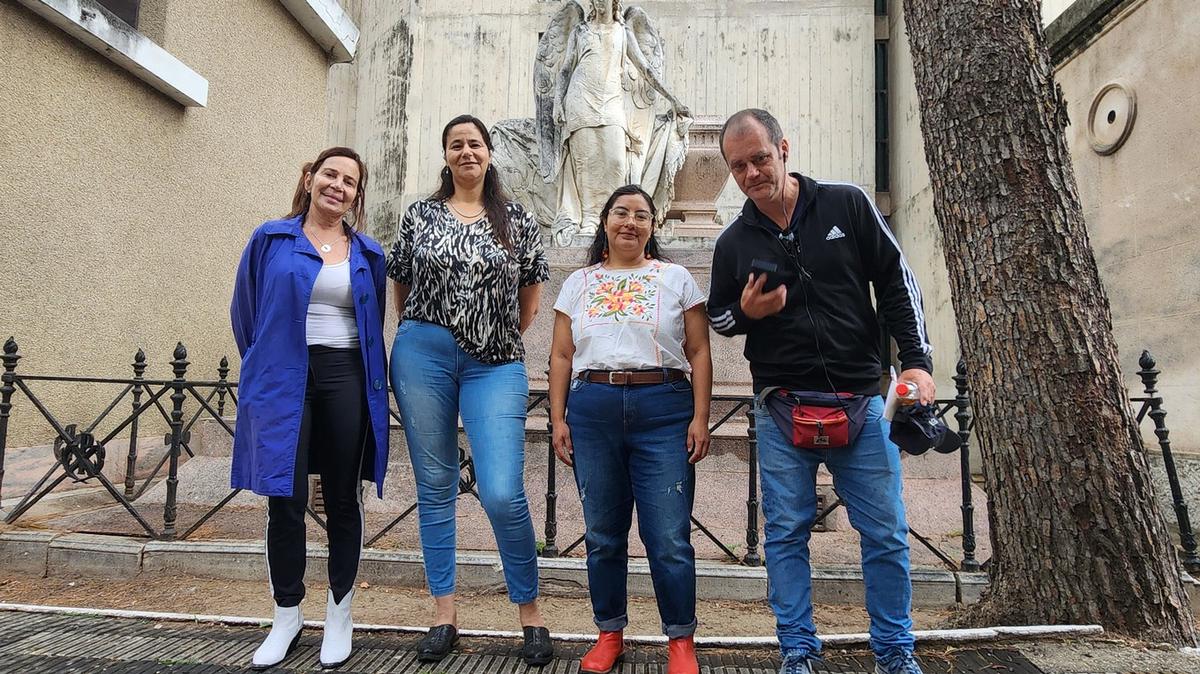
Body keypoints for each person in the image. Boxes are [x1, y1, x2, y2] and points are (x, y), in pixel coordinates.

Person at [708, 109, 936, 674]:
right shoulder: (733, 242)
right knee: (785, 535)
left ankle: (894, 652)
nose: (752, 173)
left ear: (784, 148)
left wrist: (918, 362)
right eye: (738, 166)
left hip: (862, 401)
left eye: (759, 158)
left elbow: (895, 280)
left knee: (884, 534)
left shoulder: (846, 204)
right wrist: (747, 312)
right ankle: (798, 652)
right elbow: (716, 317)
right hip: (781, 406)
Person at [387, 115, 554, 666]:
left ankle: (530, 615)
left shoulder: (518, 220)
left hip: (495, 361)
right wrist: (423, 336)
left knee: (503, 490)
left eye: (475, 144)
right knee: (435, 485)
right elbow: (401, 285)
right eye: (456, 144)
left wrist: (492, 334)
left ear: (488, 154)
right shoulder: (420, 215)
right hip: (423, 354)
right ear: (446, 154)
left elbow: (530, 296)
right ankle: (444, 615)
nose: (466, 152)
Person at [230, 146, 390, 670]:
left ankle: (340, 613)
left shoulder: (368, 254)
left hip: (346, 377)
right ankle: (287, 614)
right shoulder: (271, 239)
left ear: (356, 195)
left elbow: (371, 326)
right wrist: (265, 365)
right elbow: (246, 314)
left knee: (343, 498)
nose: (337, 186)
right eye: (330, 175)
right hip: (285, 378)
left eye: (349, 181)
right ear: (310, 178)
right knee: (286, 497)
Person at [549, 185, 712, 674]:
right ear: (605, 221)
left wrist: (701, 417)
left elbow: (700, 352)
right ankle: (609, 633)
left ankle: (680, 641)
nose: (630, 222)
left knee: (668, 536)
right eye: (621, 212)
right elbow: (560, 355)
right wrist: (558, 418)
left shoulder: (676, 278)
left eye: (641, 215)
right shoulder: (578, 282)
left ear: (652, 227)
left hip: (663, 408)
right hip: (593, 409)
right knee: (602, 533)